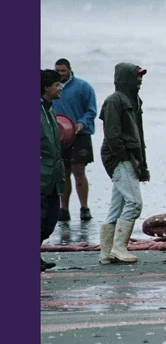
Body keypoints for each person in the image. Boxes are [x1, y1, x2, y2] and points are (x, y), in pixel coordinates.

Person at [98, 63, 149, 264]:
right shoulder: (114, 101)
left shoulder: (134, 101)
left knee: (117, 206)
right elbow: (112, 134)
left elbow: (139, 134)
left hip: (131, 157)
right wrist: (124, 156)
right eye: (137, 77)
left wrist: (142, 165)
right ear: (125, 78)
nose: (140, 81)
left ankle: (106, 252)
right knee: (134, 203)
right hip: (120, 157)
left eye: (141, 77)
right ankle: (119, 248)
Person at [53, 58, 97, 222]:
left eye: (63, 70)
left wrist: (81, 124)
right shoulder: (52, 88)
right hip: (60, 136)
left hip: (80, 135)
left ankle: (84, 207)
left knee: (79, 171)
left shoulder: (83, 86)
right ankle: (64, 209)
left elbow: (92, 110)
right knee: (63, 173)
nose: (61, 74)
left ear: (70, 70)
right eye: (58, 71)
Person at [40, 69, 65, 272]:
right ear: (46, 88)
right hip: (40, 176)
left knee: (51, 219)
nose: (60, 88)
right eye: (57, 84)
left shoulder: (50, 110)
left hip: (54, 175)